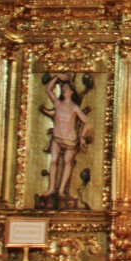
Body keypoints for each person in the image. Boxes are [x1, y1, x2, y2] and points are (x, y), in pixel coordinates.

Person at [40, 75, 92, 204]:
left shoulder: (74, 107)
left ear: (72, 92)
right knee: (53, 161)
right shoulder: (57, 103)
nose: (64, 89)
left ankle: (61, 190)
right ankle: (51, 188)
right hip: (57, 138)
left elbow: (87, 123)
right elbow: (48, 89)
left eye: (66, 88)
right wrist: (56, 77)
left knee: (67, 162)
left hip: (70, 139)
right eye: (63, 88)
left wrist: (82, 137)